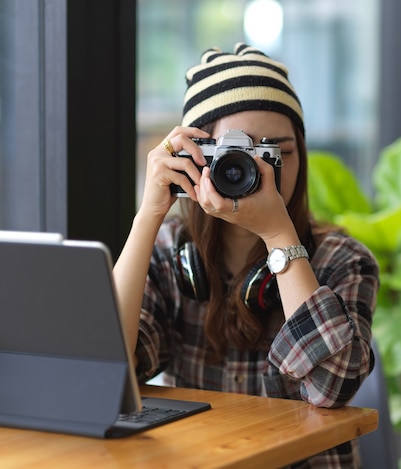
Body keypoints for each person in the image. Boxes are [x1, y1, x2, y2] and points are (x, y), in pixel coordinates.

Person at [113, 43, 379, 468]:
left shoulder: (342, 259)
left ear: (301, 158)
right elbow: (108, 371)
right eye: (235, 155)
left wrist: (277, 232)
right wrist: (149, 214)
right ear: (196, 158)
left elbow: (332, 387)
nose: (257, 172)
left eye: (278, 153)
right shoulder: (170, 251)